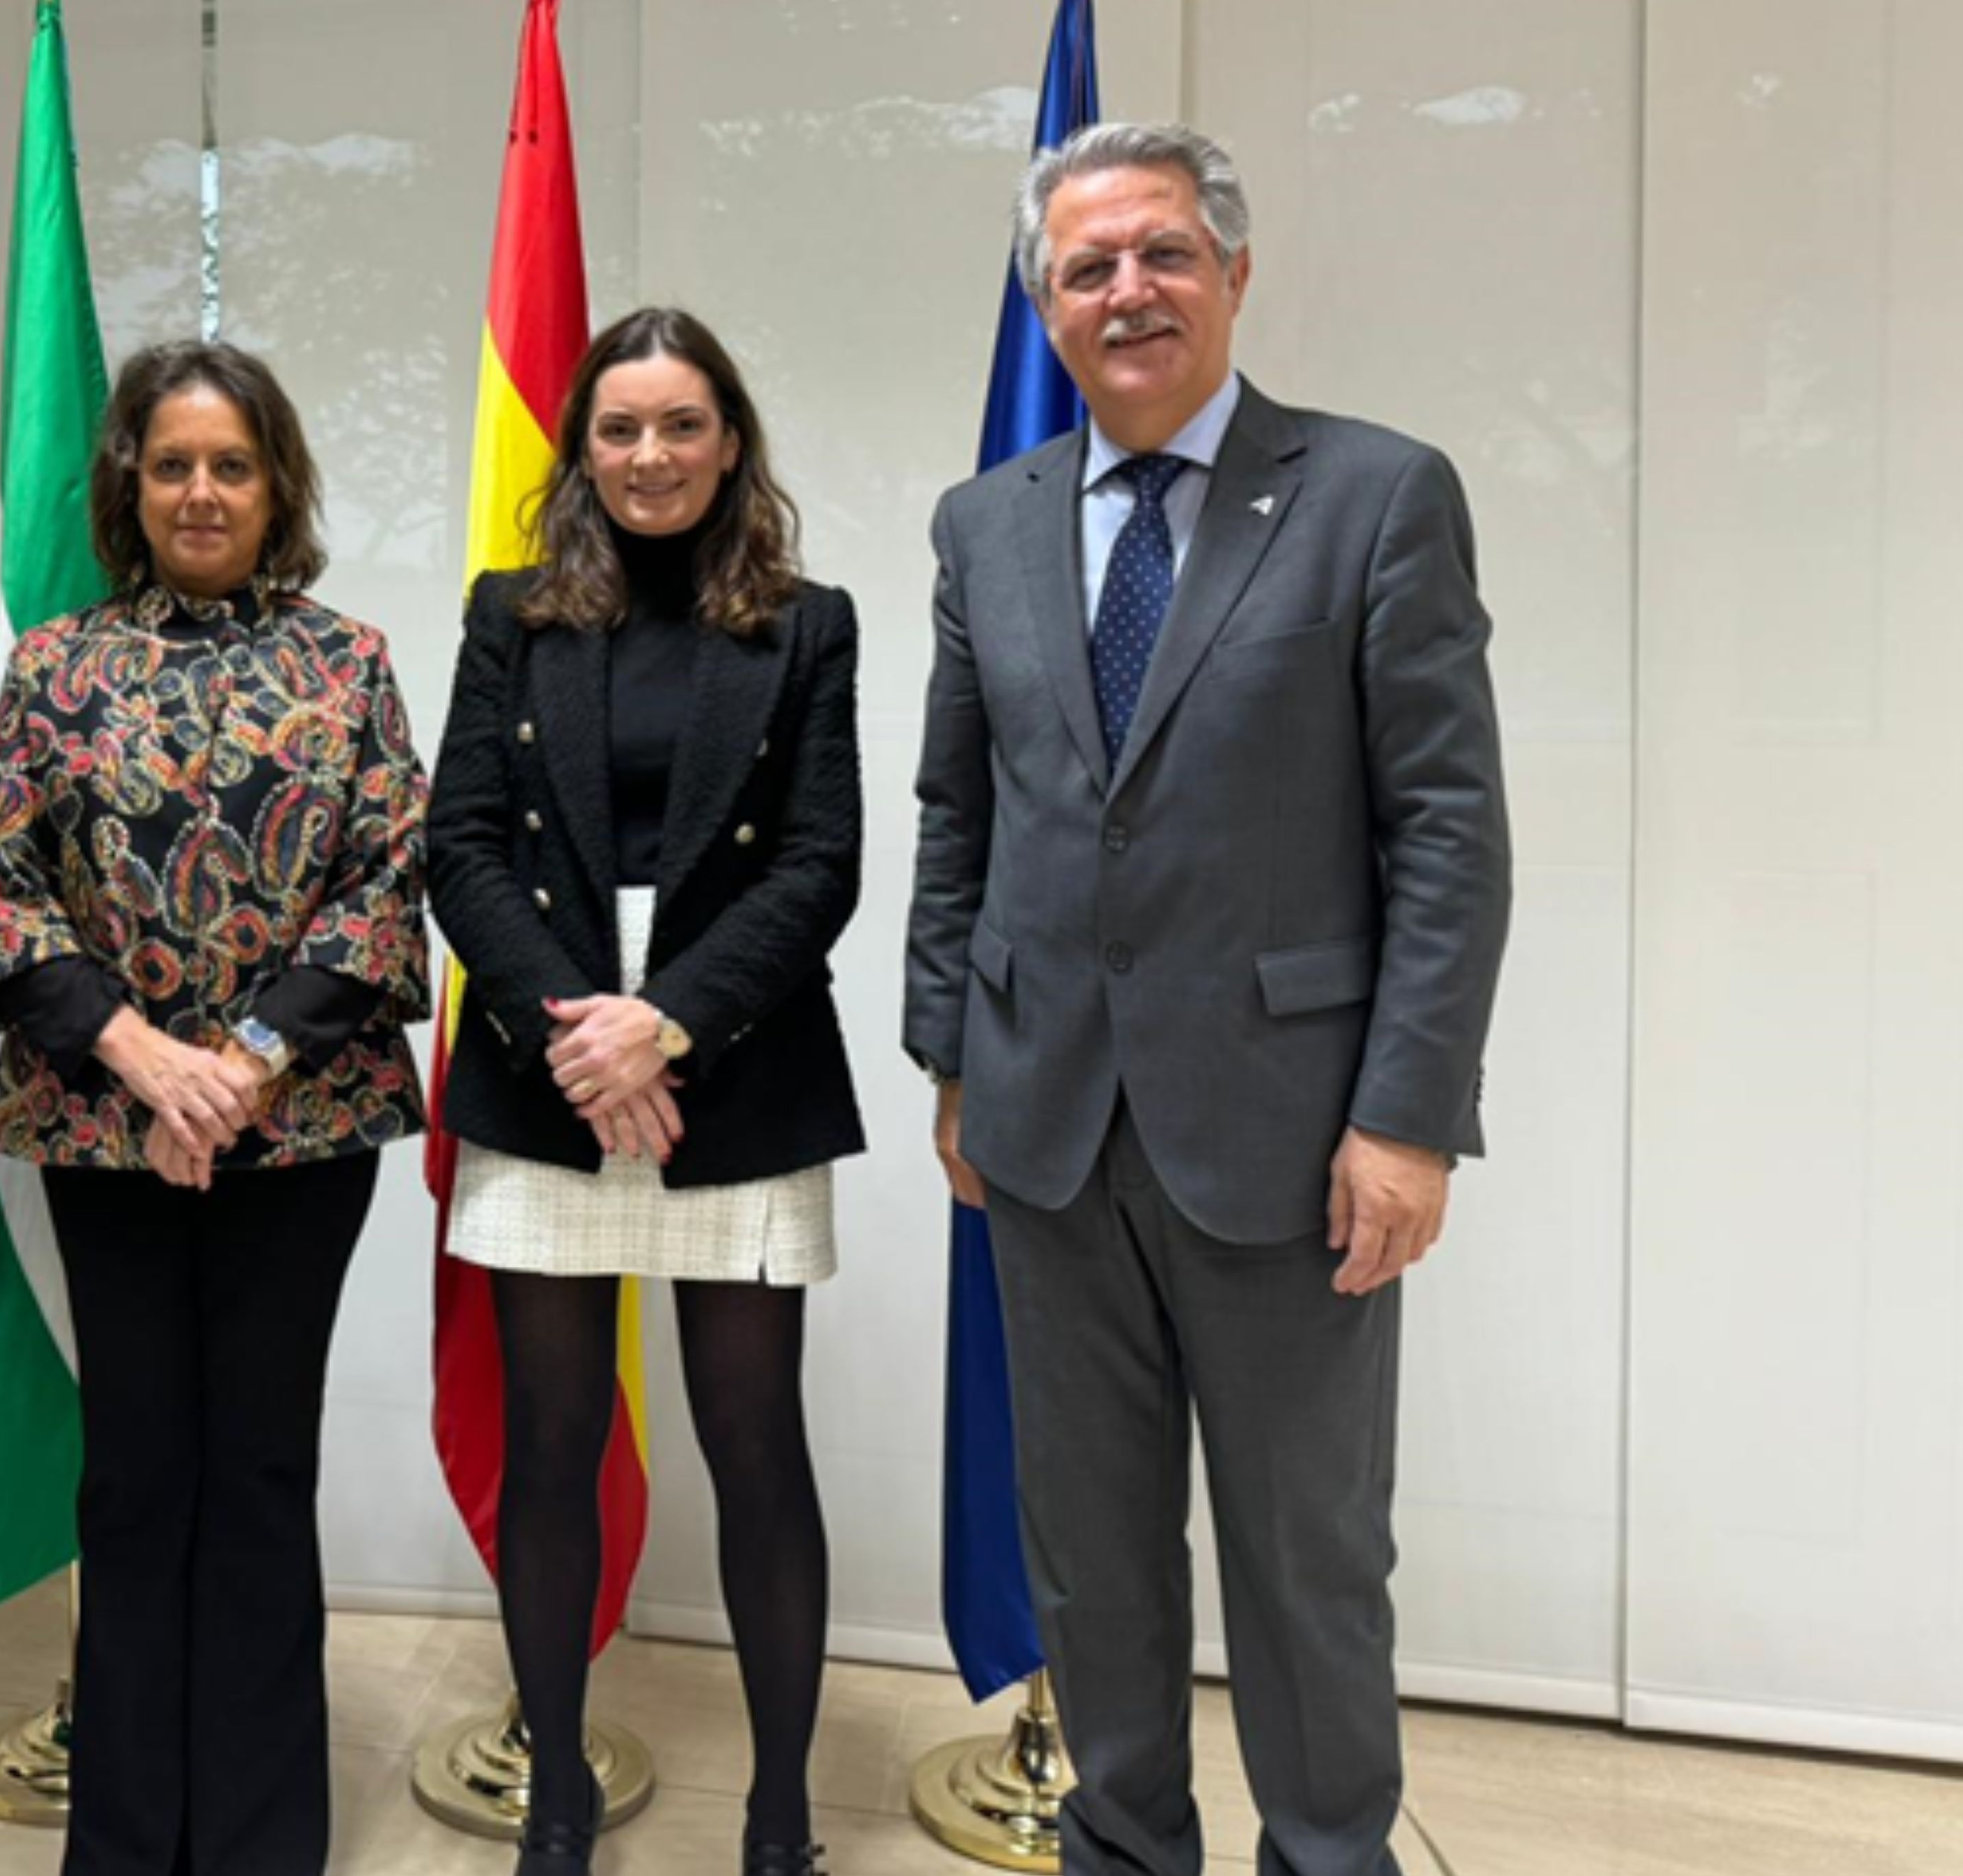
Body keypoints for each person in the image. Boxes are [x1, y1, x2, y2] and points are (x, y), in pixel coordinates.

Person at [905, 122, 1515, 1876]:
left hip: (1293, 1135)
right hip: (1044, 1132)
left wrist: (1408, 1118)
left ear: (1234, 273)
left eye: (1164, 253)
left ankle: (1329, 1854)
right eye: (1087, 266)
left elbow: (1449, 838)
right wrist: (954, 1054)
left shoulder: (1376, 494)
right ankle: (1123, 1846)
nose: (1128, 290)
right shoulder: (988, 524)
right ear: (1049, 302)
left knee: (1305, 1554)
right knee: (1091, 1553)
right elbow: (967, 809)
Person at [0, 340, 430, 1876]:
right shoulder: (56, 669)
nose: (203, 491)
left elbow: (384, 886)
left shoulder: (348, 663)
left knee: (260, 1471)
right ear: (129, 484)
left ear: (276, 479)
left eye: (232, 463)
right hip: (106, 1132)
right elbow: (0, 883)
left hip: (300, 1133)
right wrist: (144, 1060)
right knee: (138, 1469)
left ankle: (258, 1839)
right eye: (173, 464)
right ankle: (127, 1839)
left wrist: (238, 1067)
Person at [429, 306, 865, 1876]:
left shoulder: (809, 626)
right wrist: (582, 1035)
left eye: (681, 425)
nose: (649, 456)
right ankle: (556, 1795)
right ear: (582, 450)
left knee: (759, 1446)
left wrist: (666, 1027)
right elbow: (459, 846)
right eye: (619, 429)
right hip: (548, 1061)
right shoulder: (511, 614)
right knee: (550, 1442)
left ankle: (781, 1812)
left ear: (730, 439)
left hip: (734, 1068)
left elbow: (821, 864)